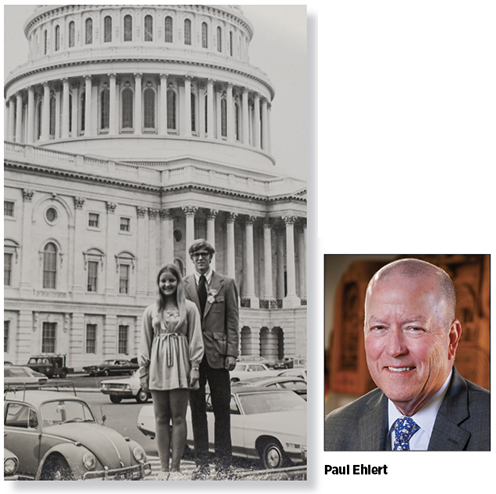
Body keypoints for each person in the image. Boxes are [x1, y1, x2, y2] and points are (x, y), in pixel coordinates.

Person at [324, 258, 490, 451]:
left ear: (452, 339)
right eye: (379, 327)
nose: (395, 349)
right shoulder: (333, 429)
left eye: (414, 328)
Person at [139, 263, 204, 480]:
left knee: (178, 417)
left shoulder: (190, 308)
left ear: (178, 283)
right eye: (163, 281)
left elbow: (196, 338)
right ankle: (163, 470)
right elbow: (145, 343)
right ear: (159, 284)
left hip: (180, 365)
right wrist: (143, 371)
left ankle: (176, 469)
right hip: (157, 365)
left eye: (171, 280)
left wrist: (195, 367)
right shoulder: (150, 311)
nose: (167, 284)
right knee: (160, 418)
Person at [183, 239, 240, 480]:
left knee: (221, 411)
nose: (200, 259)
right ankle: (202, 464)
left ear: (211, 257)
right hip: (193, 358)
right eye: (196, 255)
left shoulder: (225, 283)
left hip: (218, 356)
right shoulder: (183, 285)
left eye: (204, 254)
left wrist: (232, 353)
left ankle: (224, 464)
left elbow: (233, 320)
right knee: (197, 412)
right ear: (192, 259)